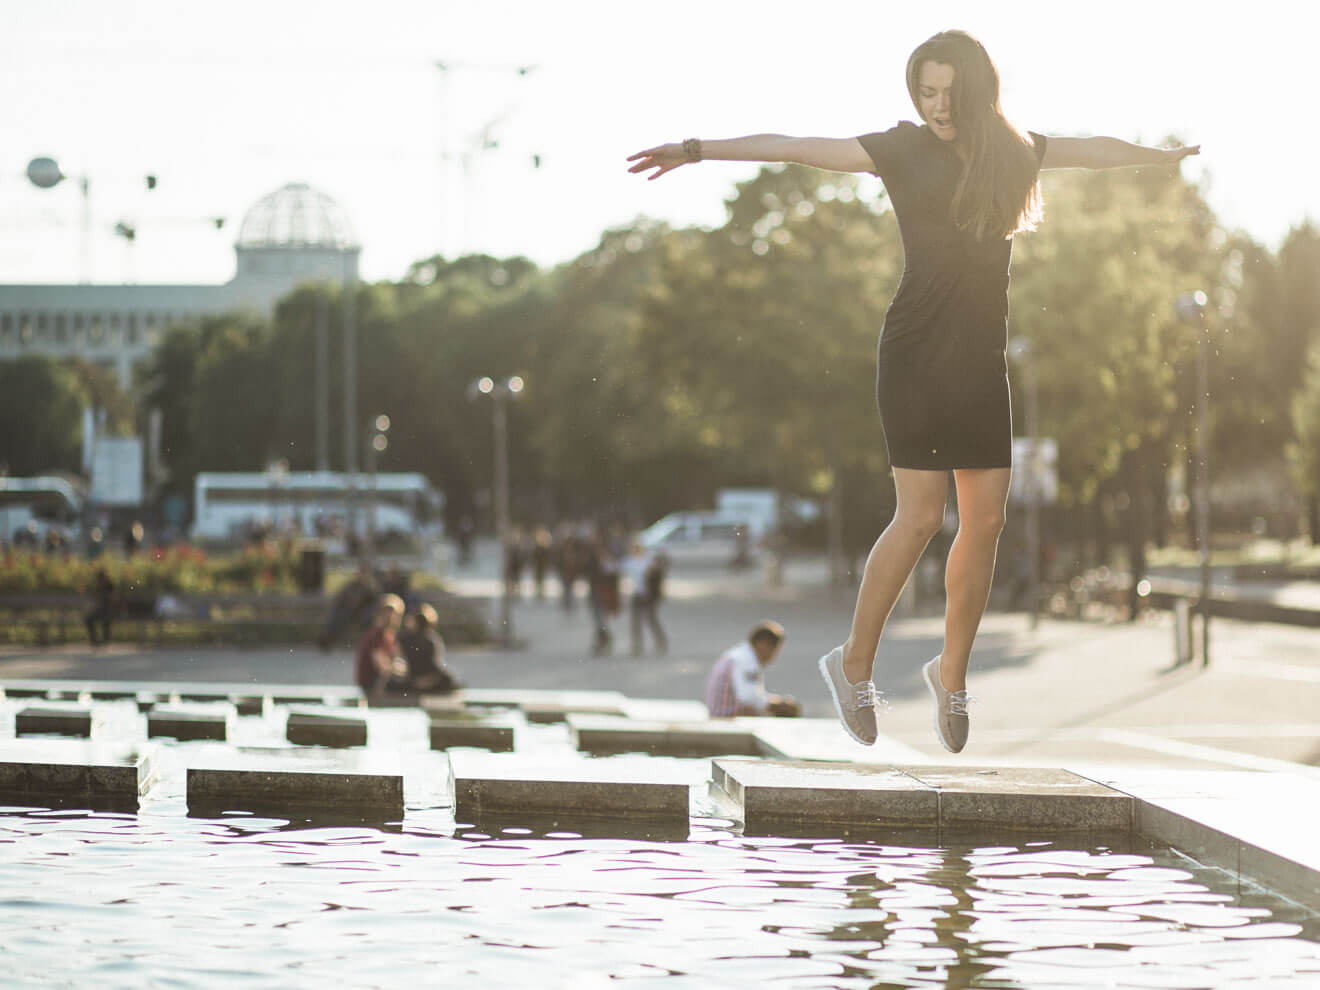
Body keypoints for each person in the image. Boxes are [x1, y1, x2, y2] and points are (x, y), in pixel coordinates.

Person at [630, 29, 1198, 754]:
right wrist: (699, 147)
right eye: (923, 91)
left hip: (981, 363)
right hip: (914, 356)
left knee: (986, 522)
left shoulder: (1016, 150)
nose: (935, 105)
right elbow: (801, 145)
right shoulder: (900, 149)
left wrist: (1164, 159)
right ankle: (853, 662)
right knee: (922, 515)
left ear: (976, 89)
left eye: (947, 92)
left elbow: (1095, 147)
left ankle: (949, 675)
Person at [704, 621, 800, 718]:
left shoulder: (739, 655)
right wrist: (778, 703)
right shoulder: (745, 660)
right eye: (774, 651)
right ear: (763, 644)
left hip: (721, 713)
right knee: (786, 710)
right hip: (724, 718)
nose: (773, 657)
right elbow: (748, 698)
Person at [353, 593, 409, 701]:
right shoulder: (376, 635)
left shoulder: (389, 635)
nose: (392, 618)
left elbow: (399, 661)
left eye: (395, 615)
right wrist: (398, 668)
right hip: (371, 685)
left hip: (381, 680)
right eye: (388, 614)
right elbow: (382, 666)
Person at [620, 539, 668, 656]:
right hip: (637, 594)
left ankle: (661, 642)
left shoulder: (649, 560)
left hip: (648, 595)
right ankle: (637, 646)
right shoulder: (629, 562)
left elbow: (660, 570)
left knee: (651, 620)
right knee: (635, 622)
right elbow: (614, 567)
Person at [399, 603, 461, 694]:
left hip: (428, 677)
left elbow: (436, 664)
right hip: (412, 678)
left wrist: (429, 679)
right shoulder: (406, 639)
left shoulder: (431, 639)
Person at [85, 567, 115, 645]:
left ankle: (105, 639)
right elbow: (94, 599)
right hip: (99, 610)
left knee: (105, 618)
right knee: (88, 619)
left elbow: (113, 599)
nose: (100, 581)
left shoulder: (110, 585)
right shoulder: (97, 587)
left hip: (108, 610)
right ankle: (94, 639)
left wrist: (104, 596)